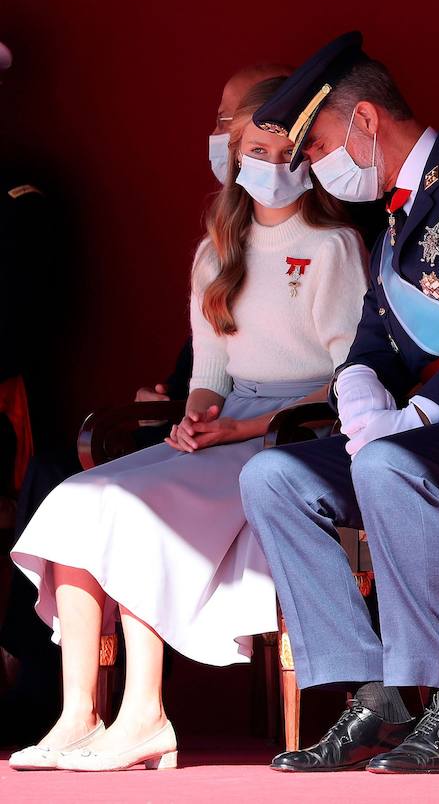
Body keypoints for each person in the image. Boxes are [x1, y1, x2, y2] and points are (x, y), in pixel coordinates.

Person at [9, 76, 368, 772]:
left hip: (298, 437)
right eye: (254, 150)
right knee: (79, 499)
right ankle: (77, 716)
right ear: (236, 156)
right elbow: (210, 376)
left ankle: (145, 715)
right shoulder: (216, 252)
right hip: (228, 429)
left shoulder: (333, 247)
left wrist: (243, 429)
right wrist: (198, 418)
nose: (269, 165)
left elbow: (344, 380)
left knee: (141, 510)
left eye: (284, 150)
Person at [238, 32, 439, 775]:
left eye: (318, 142)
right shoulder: (395, 211)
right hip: (421, 438)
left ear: (364, 121)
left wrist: (423, 412)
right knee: (273, 478)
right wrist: (358, 383)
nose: (315, 165)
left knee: (386, 465)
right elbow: (375, 340)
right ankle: (376, 695)